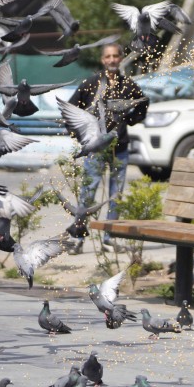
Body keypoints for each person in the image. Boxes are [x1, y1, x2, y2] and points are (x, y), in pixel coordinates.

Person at [69, 42, 147, 248]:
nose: (112, 60)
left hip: (119, 148)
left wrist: (130, 121)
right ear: (102, 60)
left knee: (116, 195)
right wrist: (82, 138)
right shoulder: (90, 84)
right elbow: (70, 110)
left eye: (115, 56)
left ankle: (109, 237)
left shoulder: (128, 85)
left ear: (120, 58)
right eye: (108, 57)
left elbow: (143, 103)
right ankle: (77, 237)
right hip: (95, 150)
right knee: (88, 192)